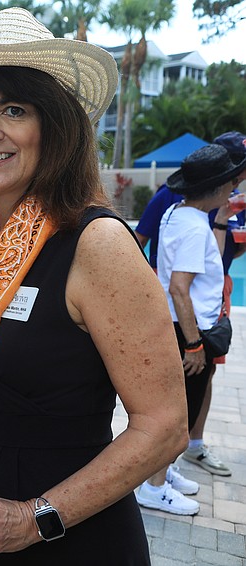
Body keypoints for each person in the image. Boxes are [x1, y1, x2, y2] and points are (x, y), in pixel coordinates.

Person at [0, 7, 187, 564]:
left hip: (66, 534)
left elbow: (165, 427)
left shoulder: (95, 242)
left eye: (13, 109)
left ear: (52, 123)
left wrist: (36, 518)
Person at [135, 144, 245, 514]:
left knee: (178, 408)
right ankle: (153, 487)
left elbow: (207, 262)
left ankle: (164, 474)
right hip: (189, 330)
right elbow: (179, 287)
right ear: (214, 189)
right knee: (180, 414)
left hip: (183, 325)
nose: (232, 188)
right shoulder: (192, 228)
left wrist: (219, 222)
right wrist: (194, 344)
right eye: (229, 183)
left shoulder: (177, 214)